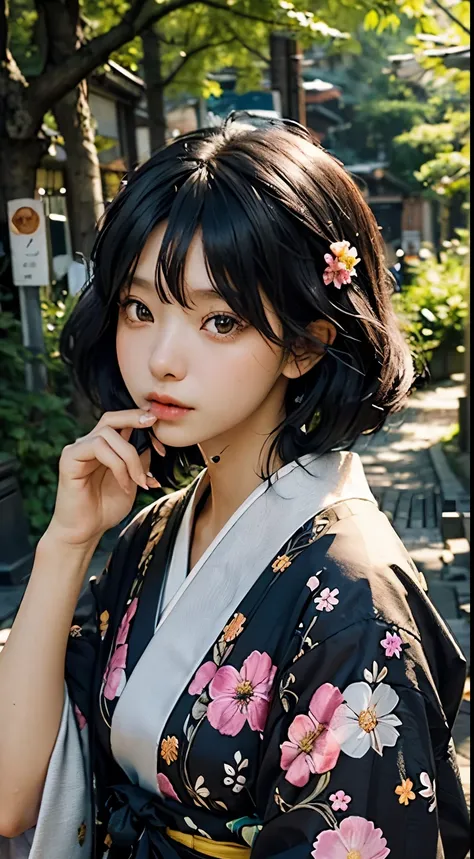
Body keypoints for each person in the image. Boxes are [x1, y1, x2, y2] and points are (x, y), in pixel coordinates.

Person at [0, 113, 469, 859]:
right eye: (139, 308)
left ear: (307, 342)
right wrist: (66, 542)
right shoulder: (149, 537)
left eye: (219, 320)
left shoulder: (353, 605)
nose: (162, 358)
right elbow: (11, 789)